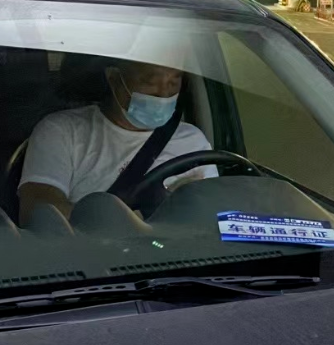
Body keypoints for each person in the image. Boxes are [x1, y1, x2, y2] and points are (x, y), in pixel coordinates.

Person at [18, 60, 218, 225]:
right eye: (150, 82)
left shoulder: (194, 141)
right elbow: (38, 214)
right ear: (114, 79)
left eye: (174, 82)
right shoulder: (62, 131)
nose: (163, 94)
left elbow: (214, 218)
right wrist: (142, 216)